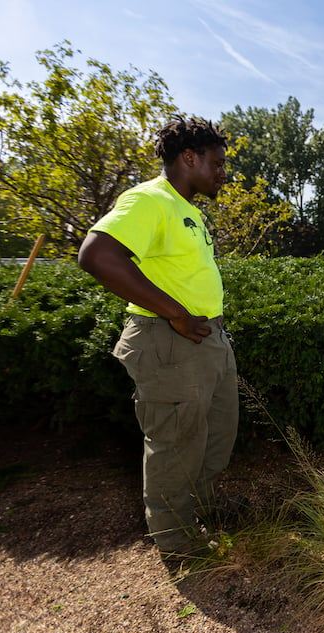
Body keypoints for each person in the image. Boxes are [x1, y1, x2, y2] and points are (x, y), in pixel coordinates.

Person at [78, 117, 239, 558]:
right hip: (171, 341)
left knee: (215, 437)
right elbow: (96, 255)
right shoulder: (149, 200)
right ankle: (178, 544)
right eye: (218, 162)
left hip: (206, 340)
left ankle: (196, 513)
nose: (223, 172)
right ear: (190, 157)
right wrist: (176, 315)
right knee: (176, 446)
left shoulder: (188, 209)